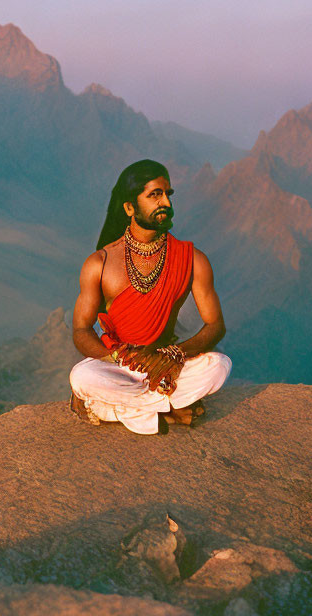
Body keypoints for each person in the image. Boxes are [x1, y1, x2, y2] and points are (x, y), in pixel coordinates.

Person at [69, 159, 232, 434]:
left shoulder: (192, 259)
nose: (165, 203)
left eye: (168, 194)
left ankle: (115, 409)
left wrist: (175, 355)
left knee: (218, 365)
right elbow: (81, 330)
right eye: (155, 195)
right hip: (122, 365)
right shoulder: (100, 262)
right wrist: (117, 358)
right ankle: (170, 408)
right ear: (130, 207)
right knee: (83, 376)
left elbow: (216, 325)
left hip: (168, 363)